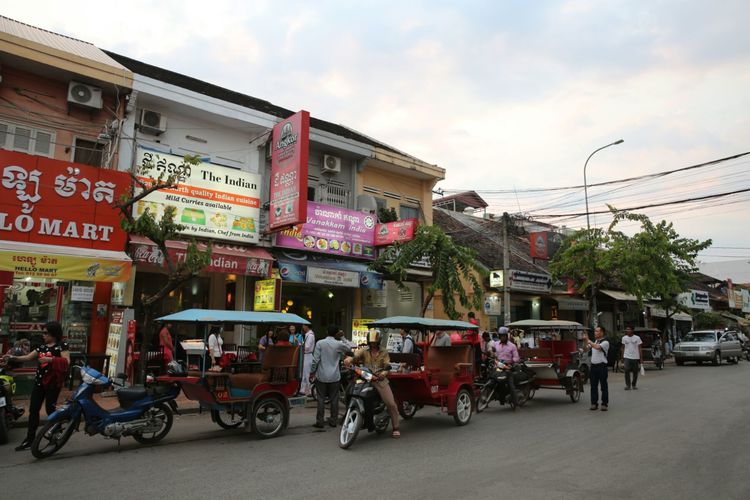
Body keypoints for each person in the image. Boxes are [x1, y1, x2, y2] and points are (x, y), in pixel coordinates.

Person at [4, 321, 70, 451]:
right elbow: (27, 357)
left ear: (53, 333)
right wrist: (10, 357)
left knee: (50, 410)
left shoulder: (62, 346)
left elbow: (67, 361)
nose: (43, 335)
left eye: (46, 333)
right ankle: (30, 439)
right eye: (43, 333)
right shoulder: (41, 347)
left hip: (53, 384)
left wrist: (50, 360)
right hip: (39, 382)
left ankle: (54, 435)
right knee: (33, 410)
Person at [344, 329, 400, 438]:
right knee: (349, 391)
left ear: (379, 341)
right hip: (365, 377)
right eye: (371, 342)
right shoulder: (364, 350)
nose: (373, 344)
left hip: (379, 379)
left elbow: (387, 365)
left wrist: (383, 373)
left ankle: (396, 427)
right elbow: (355, 356)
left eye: (374, 342)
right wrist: (349, 359)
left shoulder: (384, 352)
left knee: (391, 404)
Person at [310, 325, 350, 428]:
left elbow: (315, 360)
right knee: (334, 399)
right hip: (334, 376)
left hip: (321, 375)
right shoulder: (338, 344)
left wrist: (312, 372)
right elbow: (349, 348)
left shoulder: (320, 343)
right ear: (336, 333)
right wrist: (343, 337)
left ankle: (320, 421)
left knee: (321, 399)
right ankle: (333, 420)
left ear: (327, 331)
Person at [584, 326, 609, 411]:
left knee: (603, 386)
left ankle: (604, 404)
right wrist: (585, 340)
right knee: (593, 386)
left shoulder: (605, 342)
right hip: (593, 366)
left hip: (602, 366)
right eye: (595, 331)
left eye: (597, 331)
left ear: (602, 333)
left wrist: (588, 340)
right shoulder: (594, 341)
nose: (595, 333)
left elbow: (597, 347)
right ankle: (594, 403)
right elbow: (586, 349)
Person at [621, 325, 643, 390]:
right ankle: (628, 385)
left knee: (635, 371)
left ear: (632, 330)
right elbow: (623, 348)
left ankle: (634, 384)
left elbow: (640, 348)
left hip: (635, 357)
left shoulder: (637, 338)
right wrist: (622, 357)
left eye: (629, 329)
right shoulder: (624, 338)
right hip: (627, 356)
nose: (627, 330)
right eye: (626, 329)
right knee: (626, 370)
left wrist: (641, 358)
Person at [300, 324, 316, 396]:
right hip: (306, 355)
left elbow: (307, 347)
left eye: (304, 326)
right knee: (304, 373)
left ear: (307, 326)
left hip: (308, 355)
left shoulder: (310, 335)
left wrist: (300, 344)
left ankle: (309, 390)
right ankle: (303, 389)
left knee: (307, 373)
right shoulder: (308, 335)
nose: (303, 327)